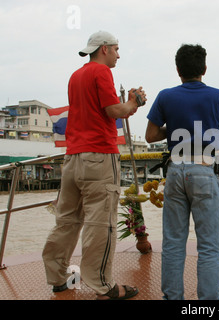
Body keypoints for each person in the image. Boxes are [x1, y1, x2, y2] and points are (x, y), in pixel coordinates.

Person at [42, 31, 146, 300]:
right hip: (99, 156)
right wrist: (135, 102)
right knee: (101, 224)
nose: (118, 55)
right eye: (116, 49)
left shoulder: (75, 76)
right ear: (104, 49)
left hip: (73, 157)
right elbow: (113, 111)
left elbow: (97, 109)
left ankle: (57, 278)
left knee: (67, 220)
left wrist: (129, 104)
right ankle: (103, 285)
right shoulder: (102, 73)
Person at [145, 44, 219, 300]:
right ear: (204, 69)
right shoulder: (218, 96)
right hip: (205, 171)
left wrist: (171, 128)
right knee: (208, 245)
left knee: (173, 243)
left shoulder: (165, 96)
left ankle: (172, 297)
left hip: (175, 171)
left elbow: (151, 135)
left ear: (178, 70)